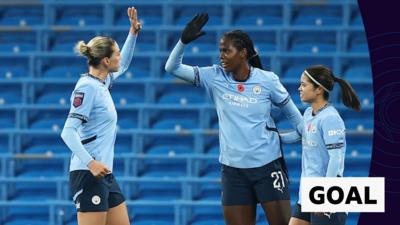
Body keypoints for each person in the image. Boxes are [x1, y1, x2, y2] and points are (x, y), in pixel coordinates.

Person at [165, 13, 303, 225]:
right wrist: (183, 41)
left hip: (268, 168)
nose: (221, 56)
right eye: (220, 50)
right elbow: (171, 68)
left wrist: (286, 137)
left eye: (226, 51)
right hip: (233, 172)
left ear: (243, 53)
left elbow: (295, 117)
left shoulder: (267, 80)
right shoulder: (214, 76)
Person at [60, 7, 141, 225]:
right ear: (106, 60)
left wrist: (133, 33)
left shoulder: (102, 82)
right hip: (88, 172)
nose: (119, 57)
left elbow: (122, 65)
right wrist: (90, 163)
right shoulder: (87, 88)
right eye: (116, 53)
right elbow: (67, 132)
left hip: (104, 172)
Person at [280, 65, 361, 225]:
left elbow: (336, 159)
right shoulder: (309, 113)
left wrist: (325, 195)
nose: (299, 88)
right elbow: (299, 134)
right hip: (308, 194)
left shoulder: (331, 118)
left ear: (318, 89)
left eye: (304, 84)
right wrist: (273, 137)